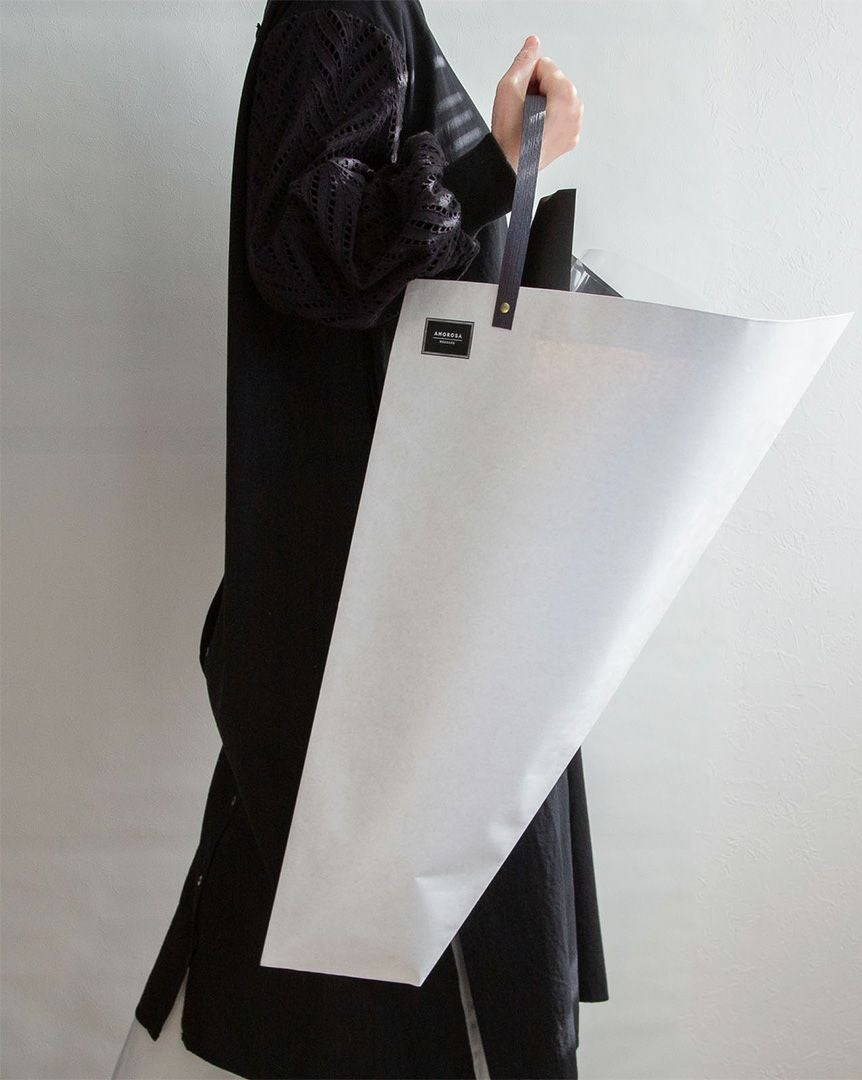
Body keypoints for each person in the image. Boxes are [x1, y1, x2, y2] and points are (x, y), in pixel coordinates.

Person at [113, 2, 605, 1078]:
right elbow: (305, 253)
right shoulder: (341, 10)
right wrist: (493, 171)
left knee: (314, 967)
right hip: (392, 636)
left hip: (397, 624)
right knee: (396, 978)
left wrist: (505, 176)